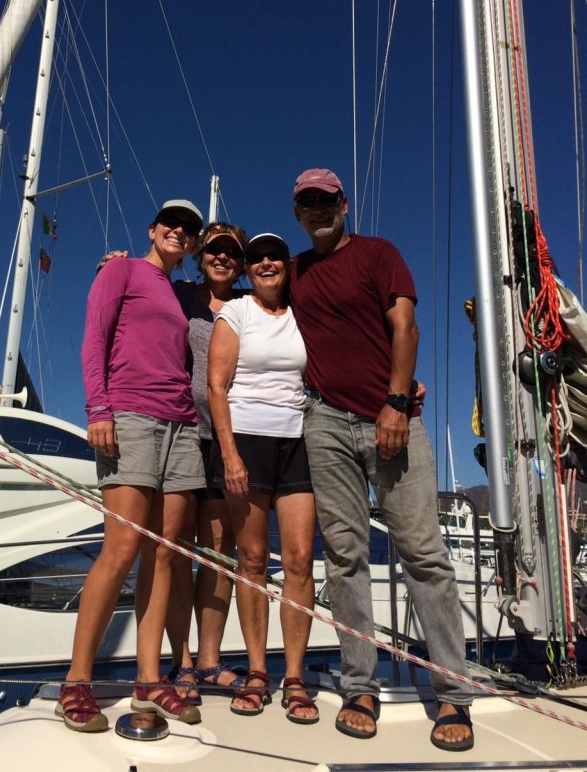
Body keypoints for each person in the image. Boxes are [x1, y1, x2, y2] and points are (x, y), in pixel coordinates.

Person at [289, 168, 474, 750]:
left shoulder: (378, 253)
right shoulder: (294, 270)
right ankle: (360, 685)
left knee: (422, 550)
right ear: (298, 212)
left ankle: (453, 693)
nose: (317, 210)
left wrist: (396, 402)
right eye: (305, 204)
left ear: (343, 203)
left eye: (325, 200)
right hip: (325, 421)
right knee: (344, 556)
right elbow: (232, 284)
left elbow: (405, 325)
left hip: (389, 418)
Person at [57, 199, 206, 733]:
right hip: (131, 415)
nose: (180, 231)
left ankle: (148, 680)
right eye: (172, 222)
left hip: (182, 425)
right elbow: (93, 338)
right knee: (121, 548)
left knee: (166, 554)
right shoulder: (120, 268)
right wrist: (97, 409)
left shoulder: (184, 292)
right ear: (152, 228)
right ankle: (76, 681)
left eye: (189, 229)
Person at [207, 233, 319, 724]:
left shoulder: (304, 312)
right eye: (257, 258)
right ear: (248, 269)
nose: (266, 263)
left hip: (298, 442)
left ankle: (294, 676)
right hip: (246, 440)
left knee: (298, 560)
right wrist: (229, 455)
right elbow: (216, 385)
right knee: (251, 559)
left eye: (274, 256)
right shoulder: (236, 312)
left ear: (286, 265)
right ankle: (257, 672)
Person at [166, 223, 250, 702]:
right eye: (214, 249)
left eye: (231, 252)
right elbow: (137, 284)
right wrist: (117, 262)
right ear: (200, 255)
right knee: (176, 551)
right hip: (181, 432)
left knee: (218, 554)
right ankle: (179, 663)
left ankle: (210, 660)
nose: (221, 258)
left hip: (228, 439)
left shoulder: (246, 305)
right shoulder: (178, 294)